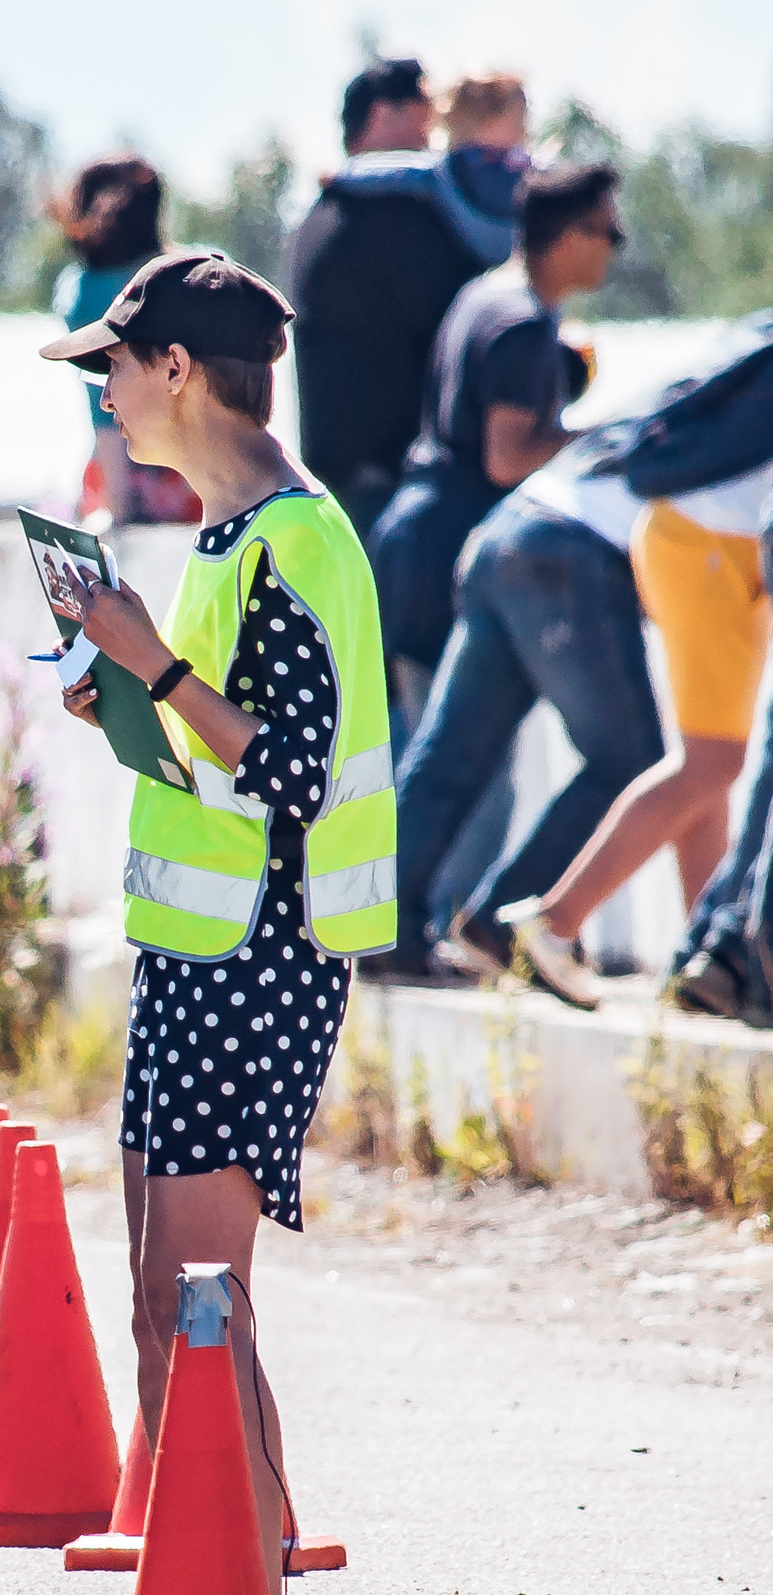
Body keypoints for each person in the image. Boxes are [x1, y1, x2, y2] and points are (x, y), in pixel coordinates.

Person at [38, 248, 396, 1595]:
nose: (105, 408)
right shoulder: (230, 538)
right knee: (164, 1297)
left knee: (200, 1306)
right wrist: (127, 695)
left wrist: (155, 665)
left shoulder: (298, 545)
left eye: (110, 378)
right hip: (202, 949)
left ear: (177, 369)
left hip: (260, 962)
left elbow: (296, 769)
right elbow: (219, 759)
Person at [487, 317, 773, 1002]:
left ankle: (698, 958)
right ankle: (554, 922)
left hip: (686, 531)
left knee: (709, 759)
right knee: (712, 761)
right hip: (714, 543)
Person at [364, 428, 665, 986]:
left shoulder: (687, 394)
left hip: (502, 531)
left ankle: (380, 928)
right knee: (635, 764)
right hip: (564, 550)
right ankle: (502, 922)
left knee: (449, 755)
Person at [368, 161, 622, 725]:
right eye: (610, 233)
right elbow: (506, 460)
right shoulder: (524, 322)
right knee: (472, 791)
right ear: (569, 237)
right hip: (446, 557)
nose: (616, 247)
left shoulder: (484, 294)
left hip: (413, 542)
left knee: (425, 769)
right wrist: (602, 441)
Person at [288, 62, 530, 542]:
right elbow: (471, 332)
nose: (436, 133)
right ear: (385, 114)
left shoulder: (327, 209)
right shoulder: (389, 215)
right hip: (393, 488)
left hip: (344, 477)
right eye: (427, 114)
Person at [664, 491, 773, 1020]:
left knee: (735, 761)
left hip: (744, 528)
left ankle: (719, 944)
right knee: (712, 760)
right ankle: (731, 947)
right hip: (707, 536)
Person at [51, 154, 193, 528]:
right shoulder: (184, 273)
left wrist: (118, 503)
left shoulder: (80, 290)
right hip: (191, 469)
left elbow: (102, 407)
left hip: (120, 470)